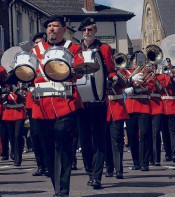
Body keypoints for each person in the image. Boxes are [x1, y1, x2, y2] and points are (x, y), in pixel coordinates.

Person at [30, 15, 84, 197]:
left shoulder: (73, 48)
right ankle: (57, 187)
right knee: (47, 149)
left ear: (63, 29)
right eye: (49, 26)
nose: (51, 29)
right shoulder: (36, 50)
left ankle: (62, 191)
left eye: (55, 26)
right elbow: (28, 73)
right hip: (42, 106)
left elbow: (79, 71)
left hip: (65, 104)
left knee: (64, 147)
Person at [76, 17, 116, 189]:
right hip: (81, 101)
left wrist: (112, 79)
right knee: (84, 140)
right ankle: (90, 170)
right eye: (84, 30)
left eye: (90, 29)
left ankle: (97, 176)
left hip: (99, 100)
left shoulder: (104, 49)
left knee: (99, 138)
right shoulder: (75, 49)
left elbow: (111, 70)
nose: (87, 33)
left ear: (95, 30)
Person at [124, 51, 155, 171]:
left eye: (140, 58)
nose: (137, 61)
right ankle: (136, 161)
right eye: (135, 59)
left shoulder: (148, 73)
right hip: (131, 107)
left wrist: (138, 90)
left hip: (144, 107)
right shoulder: (127, 73)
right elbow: (121, 84)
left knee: (145, 134)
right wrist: (129, 85)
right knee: (132, 136)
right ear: (132, 61)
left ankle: (144, 162)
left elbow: (151, 87)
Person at [28, 32, 48, 176]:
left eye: (40, 42)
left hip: (48, 97)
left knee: (46, 134)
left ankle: (50, 164)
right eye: (35, 43)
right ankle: (41, 165)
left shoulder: (50, 55)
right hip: (33, 100)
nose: (37, 45)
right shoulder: (30, 56)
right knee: (35, 134)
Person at [105, 62, 129, 179]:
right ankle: (109, 168)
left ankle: (119, 169)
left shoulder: (119, 72)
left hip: (116, 109)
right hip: (104, 109)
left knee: (117, 141)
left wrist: (117, 72)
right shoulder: (101, 72)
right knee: (105, 142)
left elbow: (126, 82)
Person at [2, 83, 27, 166]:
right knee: (11, 136)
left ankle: (18, 157)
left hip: (19, 113)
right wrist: (7, 92)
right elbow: (3, 101)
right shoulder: (6, 88)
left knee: (17, 135)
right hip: (8, 114)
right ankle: (12, 151)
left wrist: (17, 92)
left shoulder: (20, 87)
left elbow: (24, 98)